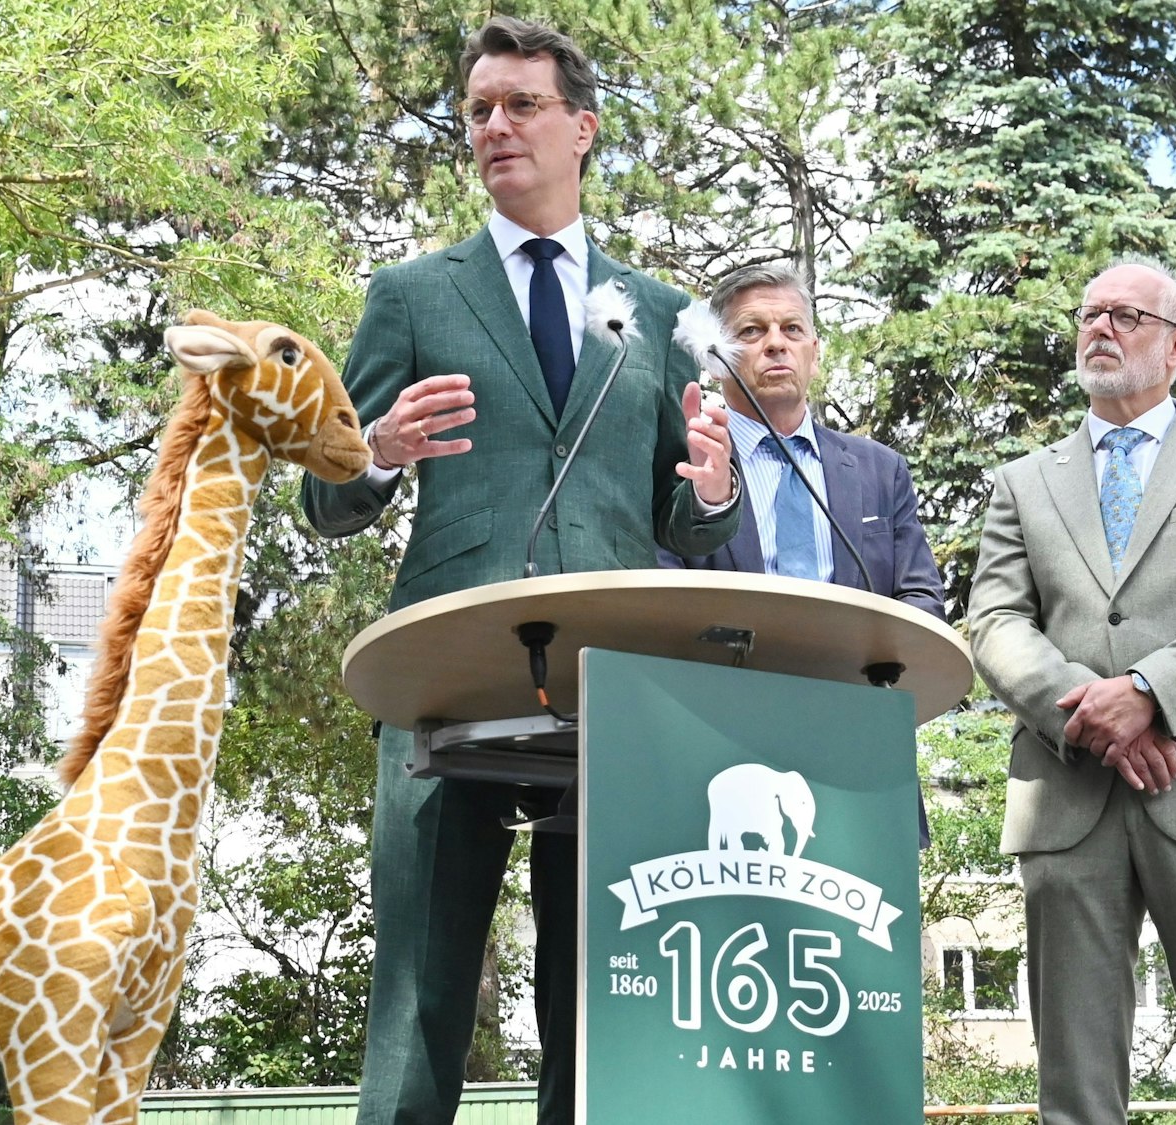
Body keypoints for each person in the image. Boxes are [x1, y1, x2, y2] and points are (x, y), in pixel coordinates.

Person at [299, 16, 739, 1125]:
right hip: (442, 680)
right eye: (478, 111)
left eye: (520, 106)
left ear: (581, 129)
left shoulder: (658, 313)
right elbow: (325, 499)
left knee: (592, 1002)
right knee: (419, 997)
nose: (494, 127)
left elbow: (683, 527)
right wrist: (378, 453)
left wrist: (718, 489)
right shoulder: (411, 294)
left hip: (611, 690)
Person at [967, 260, 1176, 1123]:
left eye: (1125, 315)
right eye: (1090, 314)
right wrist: (1096, 712)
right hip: (1066, 786)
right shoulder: (1023, 481)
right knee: (1074, 1093)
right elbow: (996, 623)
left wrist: (1151, 691)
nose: (1100, 328)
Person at [657, 262, 945, 622]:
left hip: (853, 675)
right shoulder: (682, 466)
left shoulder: (882, 471)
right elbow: (661, 606)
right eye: (752, 330)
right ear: (715, 362)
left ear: (815, 355)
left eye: (792, 329)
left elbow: (920, 598)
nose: (776, 343)